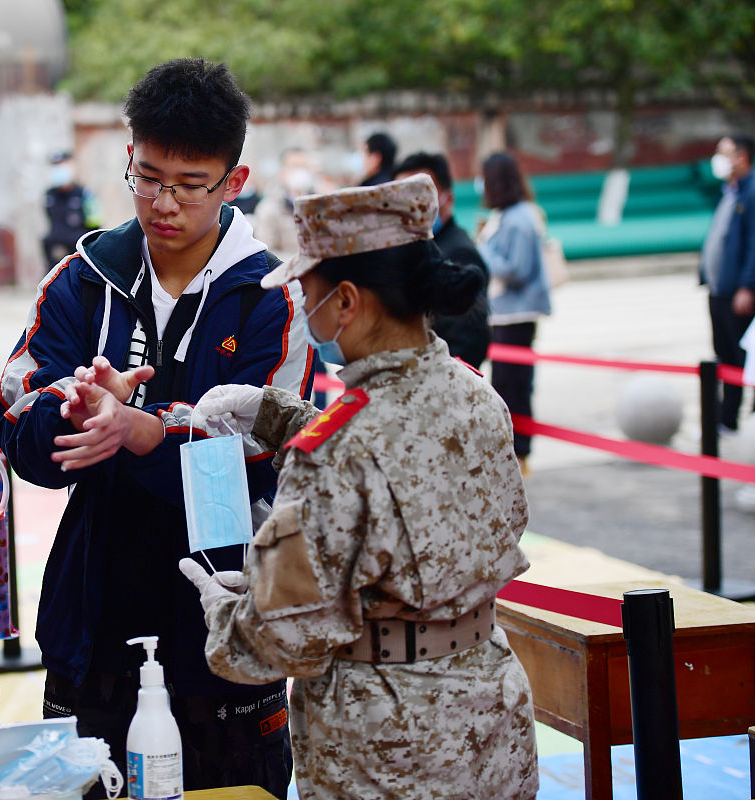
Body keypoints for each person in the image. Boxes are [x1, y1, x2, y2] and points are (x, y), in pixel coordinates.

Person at [0, 58, 313, 798]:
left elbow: (272, 451)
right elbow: (13, 417)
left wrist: (144, 431)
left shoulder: (272, 297)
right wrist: (76, 412)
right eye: (147, 177)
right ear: (129, 157)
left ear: (234, 182)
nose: (163, 203)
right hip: (92, 616)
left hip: (228, 623)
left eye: (190, 184)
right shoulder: (83, 278)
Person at [173, 175, 538, 799]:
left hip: (387, 749)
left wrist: (225, 612)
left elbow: (275, 642)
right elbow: (401, 464)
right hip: (491, 718)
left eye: (306, 290)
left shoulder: (336, 451)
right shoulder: (475, 395)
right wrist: (278, 414)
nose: (301, 304)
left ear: (345, 301)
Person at [476, 152, 551, 472]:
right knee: (506, 383)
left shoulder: (519, 219)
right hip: (505, 312)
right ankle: (513, 451)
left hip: (517, 314)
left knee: (514, 385)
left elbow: (516, 269)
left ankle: (520, 454)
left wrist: (483, 251)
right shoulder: (507, 215)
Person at [394, 151, 492, 368]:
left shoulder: (458, 253)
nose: (409, 207)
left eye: (419, 196)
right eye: (399, 197)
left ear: (447, 199)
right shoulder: (414, 250)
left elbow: (467, 342)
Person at [701, 135, 755, 431]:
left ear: (741, 157)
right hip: (720, 290)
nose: (718, 158)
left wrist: (748, 286)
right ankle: (727, 420)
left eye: (724, 153)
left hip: (739, 293)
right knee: (726, 357)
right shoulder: (731, 191)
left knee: (752, 360)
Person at [43, 152, 102, 271]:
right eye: (55, 166)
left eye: (62, 166)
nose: (59, 171)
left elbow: (95, 225)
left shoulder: (84, 194)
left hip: (79, 251)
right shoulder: (49, 195)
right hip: (56, 252)